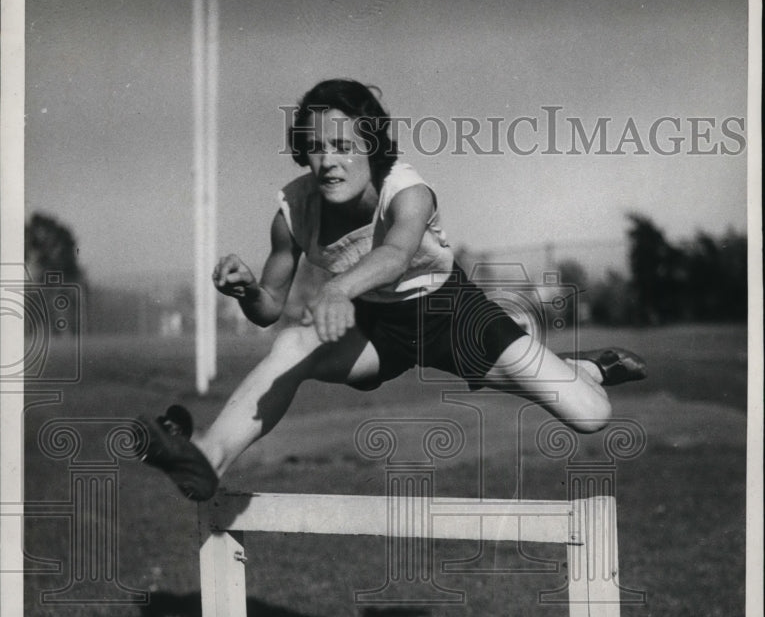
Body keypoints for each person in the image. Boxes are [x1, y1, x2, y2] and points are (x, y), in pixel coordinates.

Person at [138, 79, 645, 501]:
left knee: (591, 414)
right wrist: (247, 288)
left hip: (454, 314)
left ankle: (585, 369)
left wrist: (337, 289)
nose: (328, 162)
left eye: (343, 146)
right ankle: (207, 458)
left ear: (371, 148)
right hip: (376, 330)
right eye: (316, 148)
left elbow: (396, 255)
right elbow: (268, 309)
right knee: (291, 344)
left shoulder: (408, 190)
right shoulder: (293, 212)